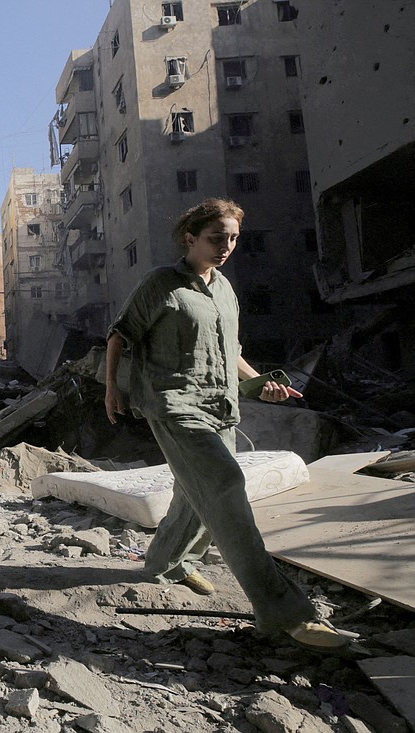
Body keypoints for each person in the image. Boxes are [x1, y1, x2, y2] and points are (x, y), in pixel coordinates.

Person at [104, 198, 348, 650]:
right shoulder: (161, 284)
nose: (227, 246)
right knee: (225, 486)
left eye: (234, 238)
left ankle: (166, 563)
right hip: (173, 405)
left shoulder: (224, 289)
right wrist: (112, 388)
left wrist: (261, 384)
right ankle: (284, 612)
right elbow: (121, 333)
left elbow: (229, 352)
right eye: (217, 238)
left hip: (220, 405)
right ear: (190, 237)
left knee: (193, 492)